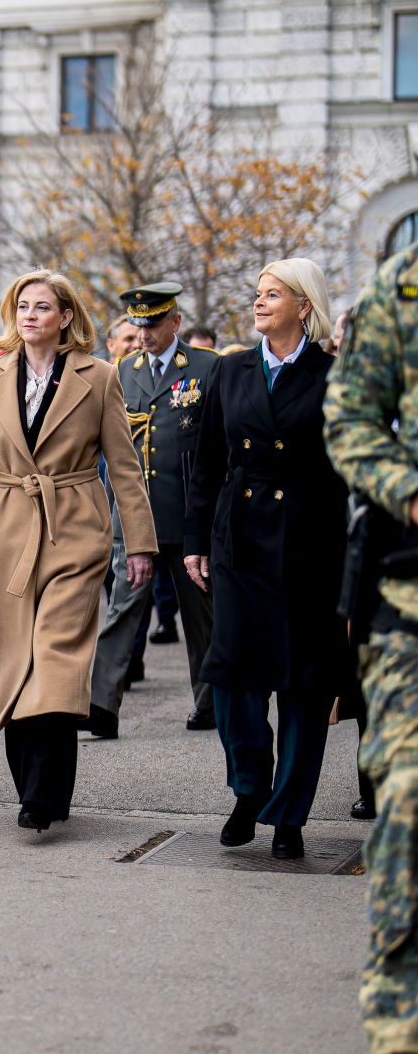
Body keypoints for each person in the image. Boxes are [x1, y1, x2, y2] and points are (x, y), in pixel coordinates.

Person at [0, 270, 155, 831]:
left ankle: (42, 793)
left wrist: (138, 542)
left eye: (43, 306)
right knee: (16, 654)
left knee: (56, 653)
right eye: (22, 306)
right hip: (9, 528)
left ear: (66, 317)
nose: (30, 315)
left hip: (75, 524)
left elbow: (124, 467)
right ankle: (35, 788)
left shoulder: (99, 377)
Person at [184, 258, 348, 861]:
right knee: (232, 675)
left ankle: (289, 815)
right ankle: (249, 789)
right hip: (241, 539)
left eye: (273, 294)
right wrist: (196, 540)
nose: (259, 303)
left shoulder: (336, 376)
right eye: (257, 293)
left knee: (304, 683)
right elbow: (205, 464)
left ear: (303, 306)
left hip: (311, 543)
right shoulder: (232, 371)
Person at [323, 241, 418, 1053]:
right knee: (410, 804)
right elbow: (350, 414)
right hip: (411, 601)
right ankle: (399, 1025)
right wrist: (409, 490)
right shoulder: (405, 283)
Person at [87, 282, 219, 736]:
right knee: (122, 609)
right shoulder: (121, 371)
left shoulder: (206, 367)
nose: (143, 333)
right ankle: (102, 704)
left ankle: (209, 701)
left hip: (187, 515)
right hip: (134, 515)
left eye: (153, 324)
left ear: (175, 322)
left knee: (201, 615)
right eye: (138, 324)